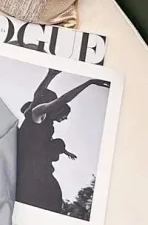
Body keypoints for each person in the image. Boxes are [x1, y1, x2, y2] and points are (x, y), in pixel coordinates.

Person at [16, 69, 109, 212]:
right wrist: (88, 83)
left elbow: (39, 97)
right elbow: (59, 99)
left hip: (39, 165)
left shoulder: (47, 124)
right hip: (28, 166)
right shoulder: (36, 115)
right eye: (64, 114)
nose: (64, 118)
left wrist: (64, 151)